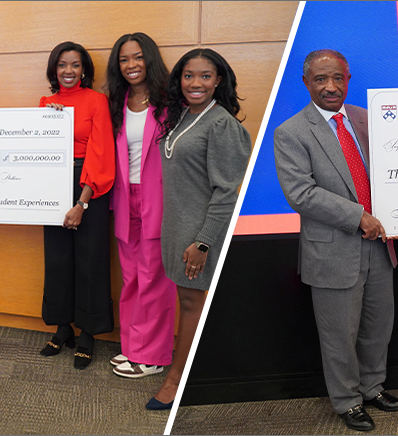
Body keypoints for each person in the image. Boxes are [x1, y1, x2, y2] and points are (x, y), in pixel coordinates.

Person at [273, 49, 398, 432]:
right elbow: (301, 193)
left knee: (377, 325)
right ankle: (347, 401)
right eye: (320, 79)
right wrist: (358, 217)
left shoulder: (369, 121)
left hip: (380, 244)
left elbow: (394, 172)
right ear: (306, 83)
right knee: (338, 334)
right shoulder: (291, 132)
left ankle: (372, 387)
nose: (331, 87)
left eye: (338, 78)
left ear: (348, 78)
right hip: (333, 249)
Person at [147, 48, 252, 410]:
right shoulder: (181, 118)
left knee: (192, 304)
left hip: (202, 233)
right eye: (189, 75)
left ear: (219, 80)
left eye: (205, 76)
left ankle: (176, 380)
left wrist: (204, 242)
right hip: (178, 226)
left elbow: (227, 191)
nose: (196, 83)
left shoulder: (222, 124)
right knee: (188, 302)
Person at [37, 41, 116, 370]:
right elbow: (36, 148)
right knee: (57, 259)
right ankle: (62, 326)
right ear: (54, 70)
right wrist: (47, 121)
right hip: (52, 184)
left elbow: (99, 152)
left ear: (85, 70)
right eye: (62, 65)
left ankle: (88, 334)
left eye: (75, 65)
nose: (68, 71)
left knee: (90, 260)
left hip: (89, 188)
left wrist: (82, 202)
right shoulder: (46, 103)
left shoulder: (97, 101)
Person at [104, 33, 178, 379]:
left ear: (149, 58)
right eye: (123, 59)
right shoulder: (114, 103)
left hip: (158, 198)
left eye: (137, 57)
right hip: (124, 198)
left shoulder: (169, 103)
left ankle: (154, 355)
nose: (131, 65)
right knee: (132, 276)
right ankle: (133, 348)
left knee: (155, 279)